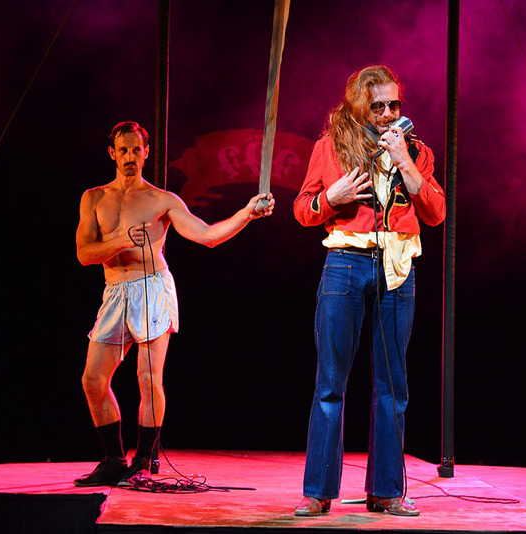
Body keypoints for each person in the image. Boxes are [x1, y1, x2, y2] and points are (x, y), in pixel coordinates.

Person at [73, 121, 274, 487]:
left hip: (152, 288)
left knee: (148, 377)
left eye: (136, 150)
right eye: (123, 150)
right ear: (112, 153)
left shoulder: (162, 201)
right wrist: (122, 240)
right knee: (93, 379)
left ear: (146, 153)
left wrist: (246, 213)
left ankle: (144, 459)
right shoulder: (94, 198)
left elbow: (208, 235)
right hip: (115, 290)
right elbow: (85, 254)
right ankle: (114, 460)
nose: (130, 157)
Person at [292, 66, 446, 516]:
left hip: (397, 269)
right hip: (346, 264)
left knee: (392, 385)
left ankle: (387, 490)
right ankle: (318, 491)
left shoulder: (417, 152)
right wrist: (330, 199)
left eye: (393, 104)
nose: (387, 114)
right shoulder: (331, 147)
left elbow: (436, 212)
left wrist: (405, 163)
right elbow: (303, 209)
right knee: (330, 383)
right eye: (377, 106)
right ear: (359, 106)